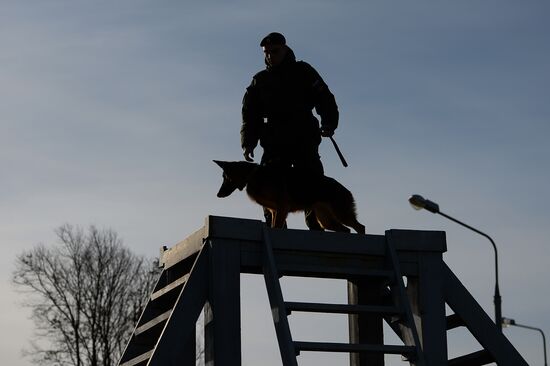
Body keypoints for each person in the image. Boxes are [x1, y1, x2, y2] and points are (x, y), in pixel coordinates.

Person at [240, 32, 339, 230]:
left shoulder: (304, 71)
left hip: (303, 135)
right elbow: (250, 114)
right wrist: (248, 142)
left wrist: (329, 123)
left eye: (274, 51)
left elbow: (324, 98)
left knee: (311, 181)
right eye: (266, 53)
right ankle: (275, 231)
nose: (270, 56)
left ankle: (315, 227)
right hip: (274, 139)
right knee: (267, 184)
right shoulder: (260, 81)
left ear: (285, 49)